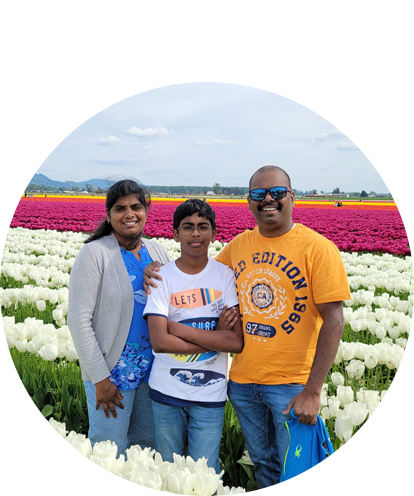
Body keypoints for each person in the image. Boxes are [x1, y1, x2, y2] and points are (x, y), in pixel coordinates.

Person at [144, 166, 350, 495]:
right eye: (258, 194)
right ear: (249, 202)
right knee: (264, 462)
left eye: (277, 192)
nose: (268, 199)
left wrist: (312, 391)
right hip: (242, 383)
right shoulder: (238, 247)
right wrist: (156, 270)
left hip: (291, 385)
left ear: (291, 197)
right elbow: (197, 268)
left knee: (296, 467)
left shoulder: (317, 248)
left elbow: (334, 319)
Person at [67, 179, 170, 457]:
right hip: (112, 375)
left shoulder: (158, 251)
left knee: (145, 451)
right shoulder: (95, 253)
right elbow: (78, 320)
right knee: (107, 454)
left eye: (136, 206)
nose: (129, 214)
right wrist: (100, 379)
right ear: (109, 214)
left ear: (146, 210)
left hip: (153, 373)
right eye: (120, 208)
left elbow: (175, 303)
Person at [143, 199, 243, 473]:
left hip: (210, 395)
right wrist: (214, 336)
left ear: (214, 233)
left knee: (204, 474)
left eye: (203, 227)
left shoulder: (225, 276)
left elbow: (235, 342)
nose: (196, 234)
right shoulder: (162, 277)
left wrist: (175, 327)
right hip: (166, 391)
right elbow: (160, 342)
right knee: (167, 473)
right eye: (187, 227)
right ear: (175, 233)